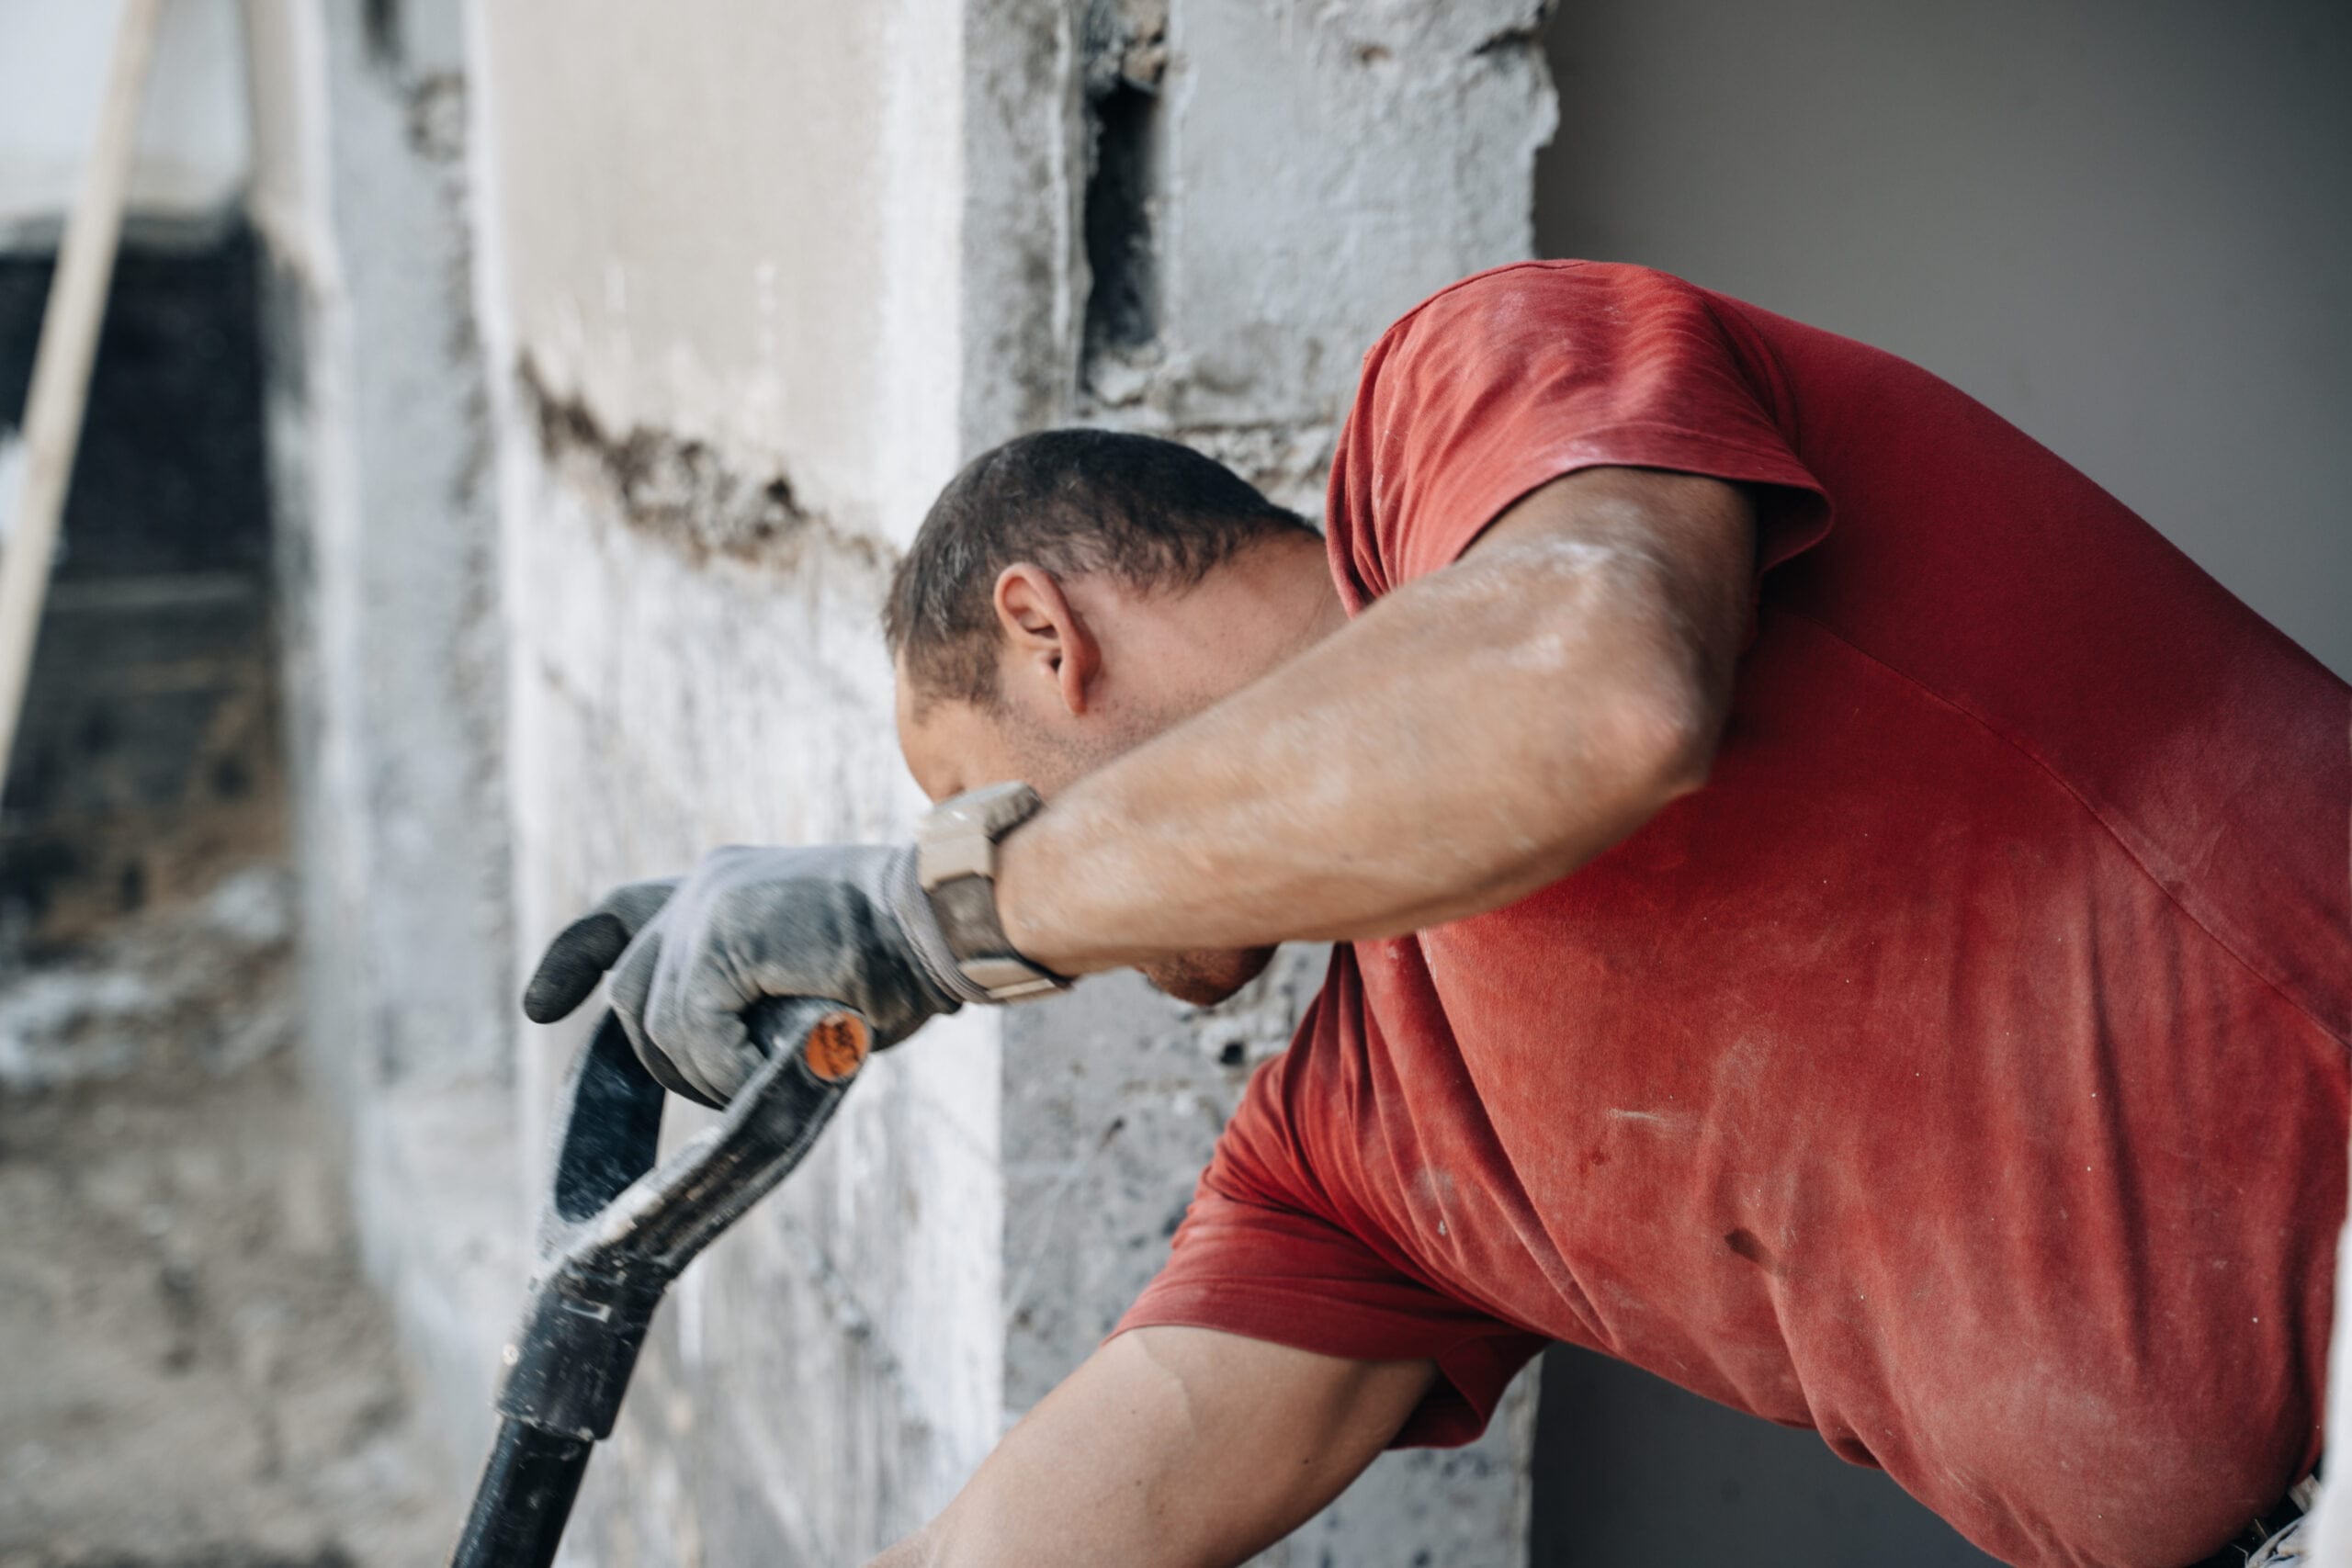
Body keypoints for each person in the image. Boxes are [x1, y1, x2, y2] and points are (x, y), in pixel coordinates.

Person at [520, 261, 2351, 1568]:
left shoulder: (1469, 391)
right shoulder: (1367, 1143)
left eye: (974, 791)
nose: (994, 869)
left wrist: (942, 912)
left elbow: (1592, 695)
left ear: (1044, 636)